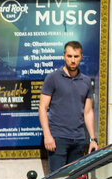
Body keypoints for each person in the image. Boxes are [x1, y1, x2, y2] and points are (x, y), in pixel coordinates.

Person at [39, 41, 98, 172]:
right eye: (69, 56)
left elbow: (88, 112)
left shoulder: (86, 81)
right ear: (64, 56)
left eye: (76, 57)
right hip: (58, 139)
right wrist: (47, 135)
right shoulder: (52, 78)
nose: (72, 60)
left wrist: (93, 139)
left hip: (79, 140)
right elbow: (42, 108)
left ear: (81, 57)